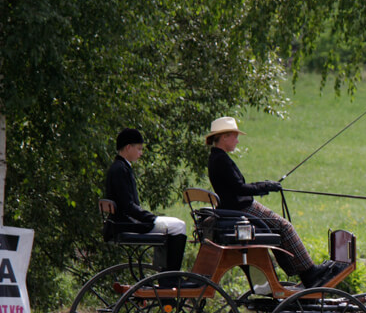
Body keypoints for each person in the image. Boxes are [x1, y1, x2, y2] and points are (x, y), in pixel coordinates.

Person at [206, 116, 344, 289]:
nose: (237, 141)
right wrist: (266, 186)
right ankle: (309, 272)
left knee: (280, 227)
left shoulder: (216, 157)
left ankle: (302, 270)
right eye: (235, 136)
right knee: (284, 226)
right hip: (241, 208)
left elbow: (237, 186)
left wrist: (265, 185)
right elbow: (239, 188)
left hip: (236, 207)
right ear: (224, 136)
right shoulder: (221, 160)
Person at [105, 128, 191, 286]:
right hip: (127, 223)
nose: (141, 153)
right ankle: (171, 278)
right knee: (179, 226)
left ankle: (166, 275)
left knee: (173, 225)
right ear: (128, 147)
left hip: (121, 222)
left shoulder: (118, 167)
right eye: (139, 149)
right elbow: (128, 206)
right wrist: (151, 218)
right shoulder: (121, 170)